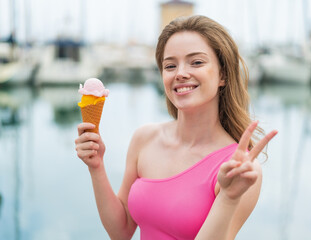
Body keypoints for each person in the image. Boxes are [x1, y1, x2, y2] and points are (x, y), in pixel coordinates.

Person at [75, 15, 277, 240]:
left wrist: (229, 197)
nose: (180, 73)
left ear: (223, 75)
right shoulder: (144, 139)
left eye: (196, 62)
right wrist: (96, 166)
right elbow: (120, 231)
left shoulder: (239, 169)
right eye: (170, 65)